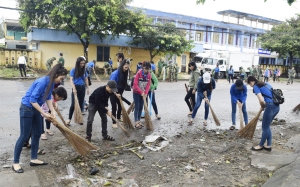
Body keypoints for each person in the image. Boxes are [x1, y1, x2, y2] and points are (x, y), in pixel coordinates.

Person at [12, 63, 67, 173]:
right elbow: (32, 100)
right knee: (24, 135)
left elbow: (48, 97)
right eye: (61, 78)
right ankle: (16, 163)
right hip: (27, 108)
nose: (61, 81)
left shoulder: (51, 83)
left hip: (36, 109)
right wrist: (44, 113)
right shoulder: (42, 82)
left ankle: (33, 159)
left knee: (37, 134)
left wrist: (52, 112)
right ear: (56, 75)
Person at [247, 76, 280, 152]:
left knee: (264, 127)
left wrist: (262, 106)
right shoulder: (266, 83)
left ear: (251, 81)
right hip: (276, 106)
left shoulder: (256, 86)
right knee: (267, 126)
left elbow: (261, 100)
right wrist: (263, 106)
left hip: (270, 106)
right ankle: (268, 145)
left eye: (249, 84)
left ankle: (260, 145)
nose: (250, 85)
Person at [66, 56, 90, 125]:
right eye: (81, 63)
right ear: (78, 63)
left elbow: (86, 79)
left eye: (83, 63)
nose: (82, 65)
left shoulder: (84, 70)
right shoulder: (73, 70)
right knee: (73, 104)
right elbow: (71, 79)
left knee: (80, 103)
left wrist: (88, 88)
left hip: (82, 88)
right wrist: (73, 88)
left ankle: (79, 119)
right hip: (76, 87)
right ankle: (69, 119)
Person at [109, 59, 131, 128]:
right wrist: (115, 93)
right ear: (122, 66)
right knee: (114, 107)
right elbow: (110, 85)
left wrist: (120, 93)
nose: (126, 69)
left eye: (127, 67)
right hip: (112, 92)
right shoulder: (115, 73)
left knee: (120, 105)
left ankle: (118, 117)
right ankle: (114, 122)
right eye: (125, 67)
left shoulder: (125, 73)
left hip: (119, 92)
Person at [132, 61, 152, 129]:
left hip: (143, 93)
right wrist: (141, 92)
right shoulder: (139, 73)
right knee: (137, 106)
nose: (147, 70)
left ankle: (139, 121)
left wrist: (146, 93)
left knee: (141, 107)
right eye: (146, 68)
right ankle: (136, 122)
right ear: (143, 67)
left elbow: (148, 84)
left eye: (148, 69)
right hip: (136, 92)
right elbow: (135, 84)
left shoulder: (149, 75)